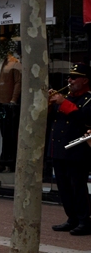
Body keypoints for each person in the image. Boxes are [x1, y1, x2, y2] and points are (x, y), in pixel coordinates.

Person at [47, 63, 91, 236]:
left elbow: (84, 119)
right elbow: (52, 120)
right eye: (69, 77)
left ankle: (84, 220)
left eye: (74, 77)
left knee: (77, 186)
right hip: (59, 149)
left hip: (77, 150)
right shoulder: (65, 97)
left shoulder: (88, 99)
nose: (69, 80)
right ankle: (72, 218)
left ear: (85, 80)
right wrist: (49, 104)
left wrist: (63, 103)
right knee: (64, 187)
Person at [0, 40, 21, 173]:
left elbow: (18, 83)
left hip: (7, 103)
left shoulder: (15, 63)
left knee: (7, 134)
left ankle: (5, 161)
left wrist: (13, 99)